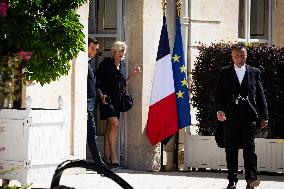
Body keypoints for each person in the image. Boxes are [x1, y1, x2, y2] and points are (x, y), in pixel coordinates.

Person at [214, 43, 268, 189]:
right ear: (232, 57)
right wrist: (219, 110)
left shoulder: (254, 72)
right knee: (231, 150)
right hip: (230, 119)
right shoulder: (224, 72)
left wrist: (264, 117)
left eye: (242, 55)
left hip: (249, 118)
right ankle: (232, 180)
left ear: (246, 56)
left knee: (249, 150)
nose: (239, 58)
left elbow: (260, 95)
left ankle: (251, 179)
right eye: (236, 56)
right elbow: (218, 94)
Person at [97, 41, 141, 168]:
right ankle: (113, 157)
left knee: (110, 127)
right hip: (106, 100)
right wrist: (101, 96)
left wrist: (133, 75)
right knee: (115, 124)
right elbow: (97, 82)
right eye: (120, 51)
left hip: (116, 101)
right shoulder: (106, 64)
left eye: (123, 51)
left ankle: (105, 157)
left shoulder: (122, 66)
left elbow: (122, 84)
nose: (122, 53)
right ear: (114, 52)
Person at [87, 37, 106, 166]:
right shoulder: (83, 64)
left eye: (95, 50)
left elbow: (93, 84)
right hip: (86, 107)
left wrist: (100, 95)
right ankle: (99, 163)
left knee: (91, 134)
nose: (94, 52)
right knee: (92, 134)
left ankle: (99, 162)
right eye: (92, 48)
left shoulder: (89, 63)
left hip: (91, 106)